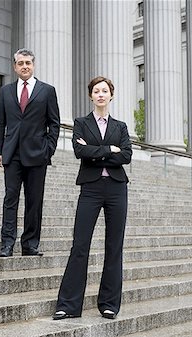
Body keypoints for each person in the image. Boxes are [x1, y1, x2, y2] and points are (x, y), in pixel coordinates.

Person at [52, 76, 132, 320]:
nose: (100, 94)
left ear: (111, 95)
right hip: (91, 187)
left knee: (114, 246)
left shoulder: (120, 126)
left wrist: (96, 152)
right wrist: (110, 150)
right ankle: (68, 305)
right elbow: (80, 152)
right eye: (96, 91)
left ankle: (109, 303)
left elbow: (126, 155)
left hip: (117, 188)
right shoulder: (81, 123)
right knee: (80, 244)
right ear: (90, 96)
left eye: (104, 91)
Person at [0, 48, 60, 257]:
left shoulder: (47, 91)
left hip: (37, 154)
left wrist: (48, 149)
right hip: (11, 154)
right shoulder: (6, 91)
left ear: (34, 65)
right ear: (14, 67)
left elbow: (54, 124)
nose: (24, 66)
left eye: (28, 63)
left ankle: (30, 244)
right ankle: (7, 244)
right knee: (10, 199)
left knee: (34, 201)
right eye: (20, 63)